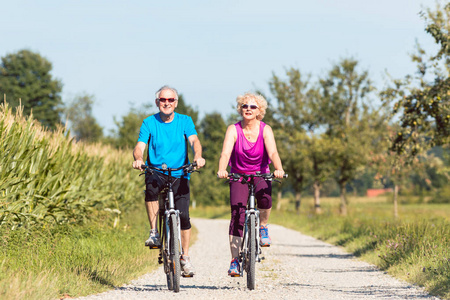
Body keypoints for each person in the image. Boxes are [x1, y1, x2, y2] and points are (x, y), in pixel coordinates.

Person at [132, 85, 205, 277]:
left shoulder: (185, 121)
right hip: (156, 170)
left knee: (184, 216)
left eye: (170, 100)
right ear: (157, 102)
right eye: (163, 100)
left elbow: (194, 141)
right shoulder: (149, 122)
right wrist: (138, 158)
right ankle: (154, 232)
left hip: (180, 172)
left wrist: (198, 156)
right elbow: (140, 146)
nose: (167, 103)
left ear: (176, 102)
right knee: (150, 191)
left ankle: (185, 257)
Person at [217, 92, 285, 276]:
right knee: (237, 215)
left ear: (259, 111)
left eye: (252, 106)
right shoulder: (233, 129)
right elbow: (225, 153)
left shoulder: (265, 129)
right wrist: (222, 169)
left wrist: (278, 169)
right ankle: (234, 260)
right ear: (240, 109)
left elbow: (273, 153)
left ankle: (263, 226)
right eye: (245, 106)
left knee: (265, 200)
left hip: (260, 173)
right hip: (238, 175)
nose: (248, 109)